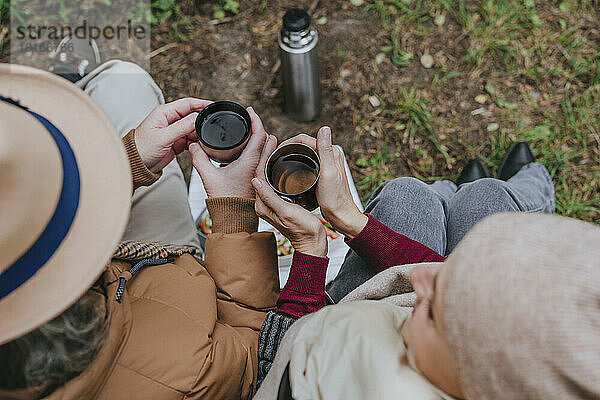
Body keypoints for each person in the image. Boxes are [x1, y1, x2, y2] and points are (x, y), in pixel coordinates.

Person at [0, 60, 286, 399]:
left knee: (122, 80)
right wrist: (234, 212)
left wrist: (130, 160)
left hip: (122, 271)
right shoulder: (184, 375)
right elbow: (251, 346)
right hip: (174, 285)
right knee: (123, 84)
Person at [249, 127, 555, 389]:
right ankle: (529, 179)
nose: (419, 283)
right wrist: (348, 220)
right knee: (486, 199)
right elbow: (468, 302)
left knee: (406, 195)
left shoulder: (315, 379)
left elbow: (282, 368)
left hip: (350, 315)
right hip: (475, 322)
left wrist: (315, 243)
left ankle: (446, 192)